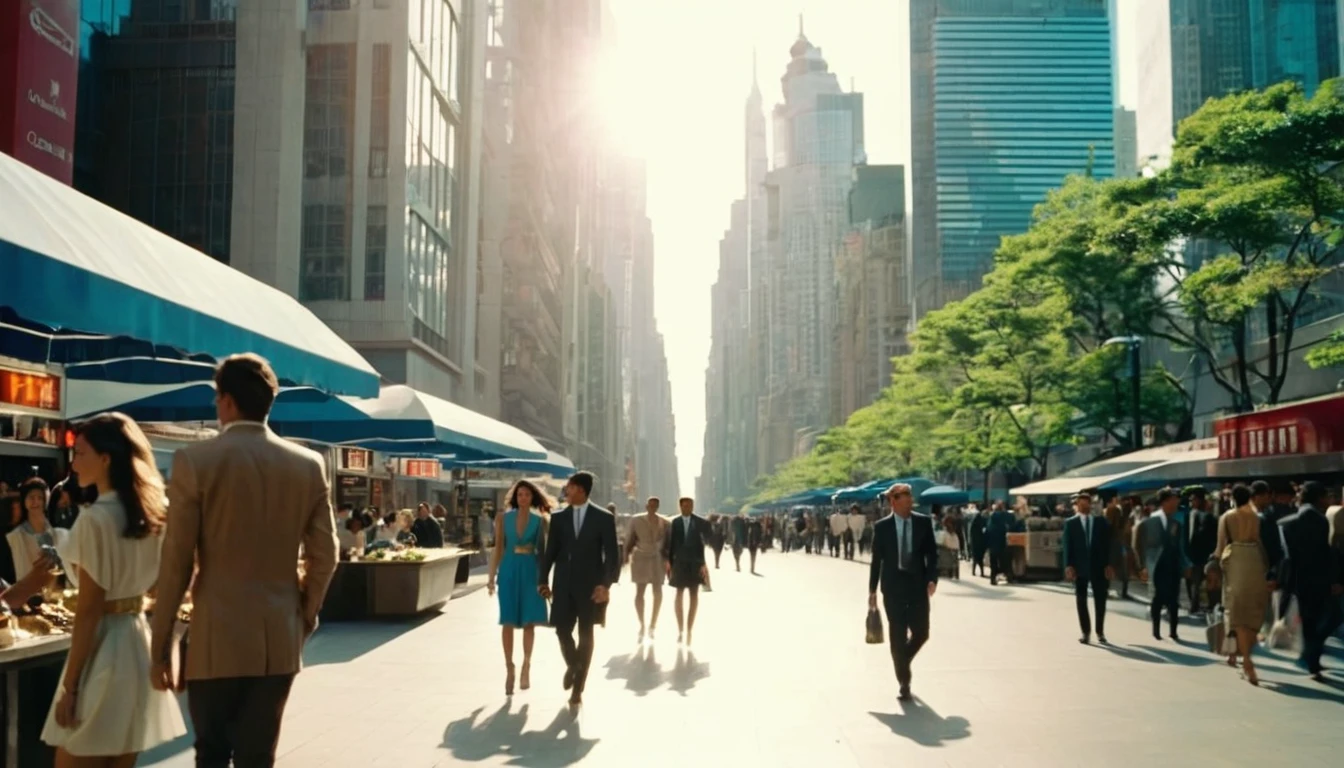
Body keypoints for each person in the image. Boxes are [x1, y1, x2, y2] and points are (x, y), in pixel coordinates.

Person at [150, 353, 339, 767]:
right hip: (278, 637)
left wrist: (161, 641)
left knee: (212, 752)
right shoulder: (309, 465)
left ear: (229, 401)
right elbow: (326, 556)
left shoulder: (195, 461)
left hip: (215, 636)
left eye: (217, 399)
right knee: (258, 755)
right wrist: (304, 615)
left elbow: (177, 560)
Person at [40, 413, 187, 764]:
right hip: (137, 643)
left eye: (81, 454)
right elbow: (170, 581)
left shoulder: (95, 519)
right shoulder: (154, 513)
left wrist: (70, 687)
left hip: (102, 651)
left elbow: (90, 609)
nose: (74, 463)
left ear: (106, 459)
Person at [538, 471, 619, 708]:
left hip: (591, 588)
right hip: (562, 584)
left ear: (581, 490)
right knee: (562, 631)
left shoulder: (603, 518)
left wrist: (605, 585)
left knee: (586, 635)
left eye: (570, 487)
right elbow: (550, 551)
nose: (566, 491)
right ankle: (574, 665)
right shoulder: (559, 518)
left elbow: (612, 556)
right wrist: (543, 579)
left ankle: (578, 688)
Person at [868, 483, 938, 701]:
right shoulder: (881, 527)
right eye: (904, 497)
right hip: (893, 587)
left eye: (910, 497)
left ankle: (901, 659)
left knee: (922, 633)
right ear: (893, 501)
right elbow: (876, 561)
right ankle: (904, 682)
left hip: (917, 586)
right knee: (897, 635)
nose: (909, 501)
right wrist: (872, 590)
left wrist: (932, 579)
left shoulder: (923, 523)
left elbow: (932, 554)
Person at [1273, 481, 1344, 682]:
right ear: (1319, 497)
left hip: (1294, 579)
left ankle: (1311, 657)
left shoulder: (1286, 522)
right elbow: (1325, 554)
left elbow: (1285, 556)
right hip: (1318, 579)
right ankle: (1312, 657)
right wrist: (1334, 579)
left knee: (1308, 620)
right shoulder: (1320, 520)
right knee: (1331, 617)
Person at [487, 480, 550, 695]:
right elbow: (498, 549)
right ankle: (509, 668)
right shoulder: (503, 519)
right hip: (508, 571)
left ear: (533, 497)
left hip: (530, 572)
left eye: (527, 494)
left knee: (529, 621)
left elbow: (543, 553)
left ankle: (526, 665)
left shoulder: (539, 521)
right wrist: (490, 577)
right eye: (520, 494)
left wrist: (545, 581)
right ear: (515, 496)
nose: (523, 497)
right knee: (508, 620)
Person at [1210, 483, 1270, 685]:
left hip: (1235, 558)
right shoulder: (1255, 516)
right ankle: (1239, 654)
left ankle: (1246, 661)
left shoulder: (1227, 517)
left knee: (1235, 611)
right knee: (1253, 611)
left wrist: (1214, 563)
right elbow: (1259, 540)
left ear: (1233, 498)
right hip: (1254, 559)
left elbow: (1220, 545)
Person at [1135, 488, 1191, 642]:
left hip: (1173, 565)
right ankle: (1156, 630)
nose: (1177, 503)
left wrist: (1186, 565)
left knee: (1174, 599)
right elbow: (1140, 545)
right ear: (1165, 502)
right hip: (1156, 566)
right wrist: (1142, 566)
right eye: (1174, 500)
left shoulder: (1176, 524)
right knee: (1157, 598)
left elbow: (1180, 547)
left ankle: (1173, 631)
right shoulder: (1148, 522)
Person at [1063, 491, 1113, 644]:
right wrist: (1068, 565)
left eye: (1087, 503)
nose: (1085, 506)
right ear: (1077, 505)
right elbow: (1067, 546)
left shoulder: (1100, 522)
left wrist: (1109, 564)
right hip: (1080, 567)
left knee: (1100, 600)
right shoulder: (1071, 523)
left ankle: (1100, 631)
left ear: (1091, 505)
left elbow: (1108, 545)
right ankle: (1086, 632)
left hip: (1099, 566)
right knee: (1081, 600)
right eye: (1081, 503)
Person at [664, 497, 710, 646]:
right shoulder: (674, 523)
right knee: (678, 593)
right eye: (684, 506)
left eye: (690, 505)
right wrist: (668, 562)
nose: (687, 508)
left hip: (695, 563)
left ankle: (689, 628)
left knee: (694, 595)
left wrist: (703, 564)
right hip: (679, 563)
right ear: (680, 507)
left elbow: (703, 544)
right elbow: (669, 544)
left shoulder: (700, 522)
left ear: (693, 506)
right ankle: (680, 629)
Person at [7, 477, 71, 583]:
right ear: (24, 500)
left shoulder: (56, 532)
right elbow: (21, 573)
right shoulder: (16, 535)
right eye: (31, 497)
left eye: (40, 498)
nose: (35, 502)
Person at [625, 496, 668, 640]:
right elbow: (629, 539)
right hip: (641, 558)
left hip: (657, 559)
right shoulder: (636, 520)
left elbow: (669, 543)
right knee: (640, 592)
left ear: (658, 507)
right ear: (646, 506)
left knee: (658, 592)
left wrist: (669, 561)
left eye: (655, 505)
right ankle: (642, 624)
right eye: (650, 505)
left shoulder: (665, 522)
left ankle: (653, 625)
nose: (652, 508)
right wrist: (625, 556)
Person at [1185, 487, 1218, 613]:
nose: (1191, 502)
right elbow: (1186, 536)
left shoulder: (1209, 518)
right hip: (1193, 554)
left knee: (1200, 581)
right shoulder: (1189, 516)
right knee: (1193, 581)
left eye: (1193, 500)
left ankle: (1201, 605)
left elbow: (1211, 537)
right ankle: (1196, 604)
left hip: (1202, 555)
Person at [985, 501, 1014, 585]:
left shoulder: (991, 518)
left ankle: (993, 578)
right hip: (1001, 543)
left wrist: (987, 544)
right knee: (1004, 561)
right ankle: (1008, 576)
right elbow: (1010, 524)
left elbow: (987, 531)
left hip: (992, 544)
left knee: (993, 562)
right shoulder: (1004, 516)